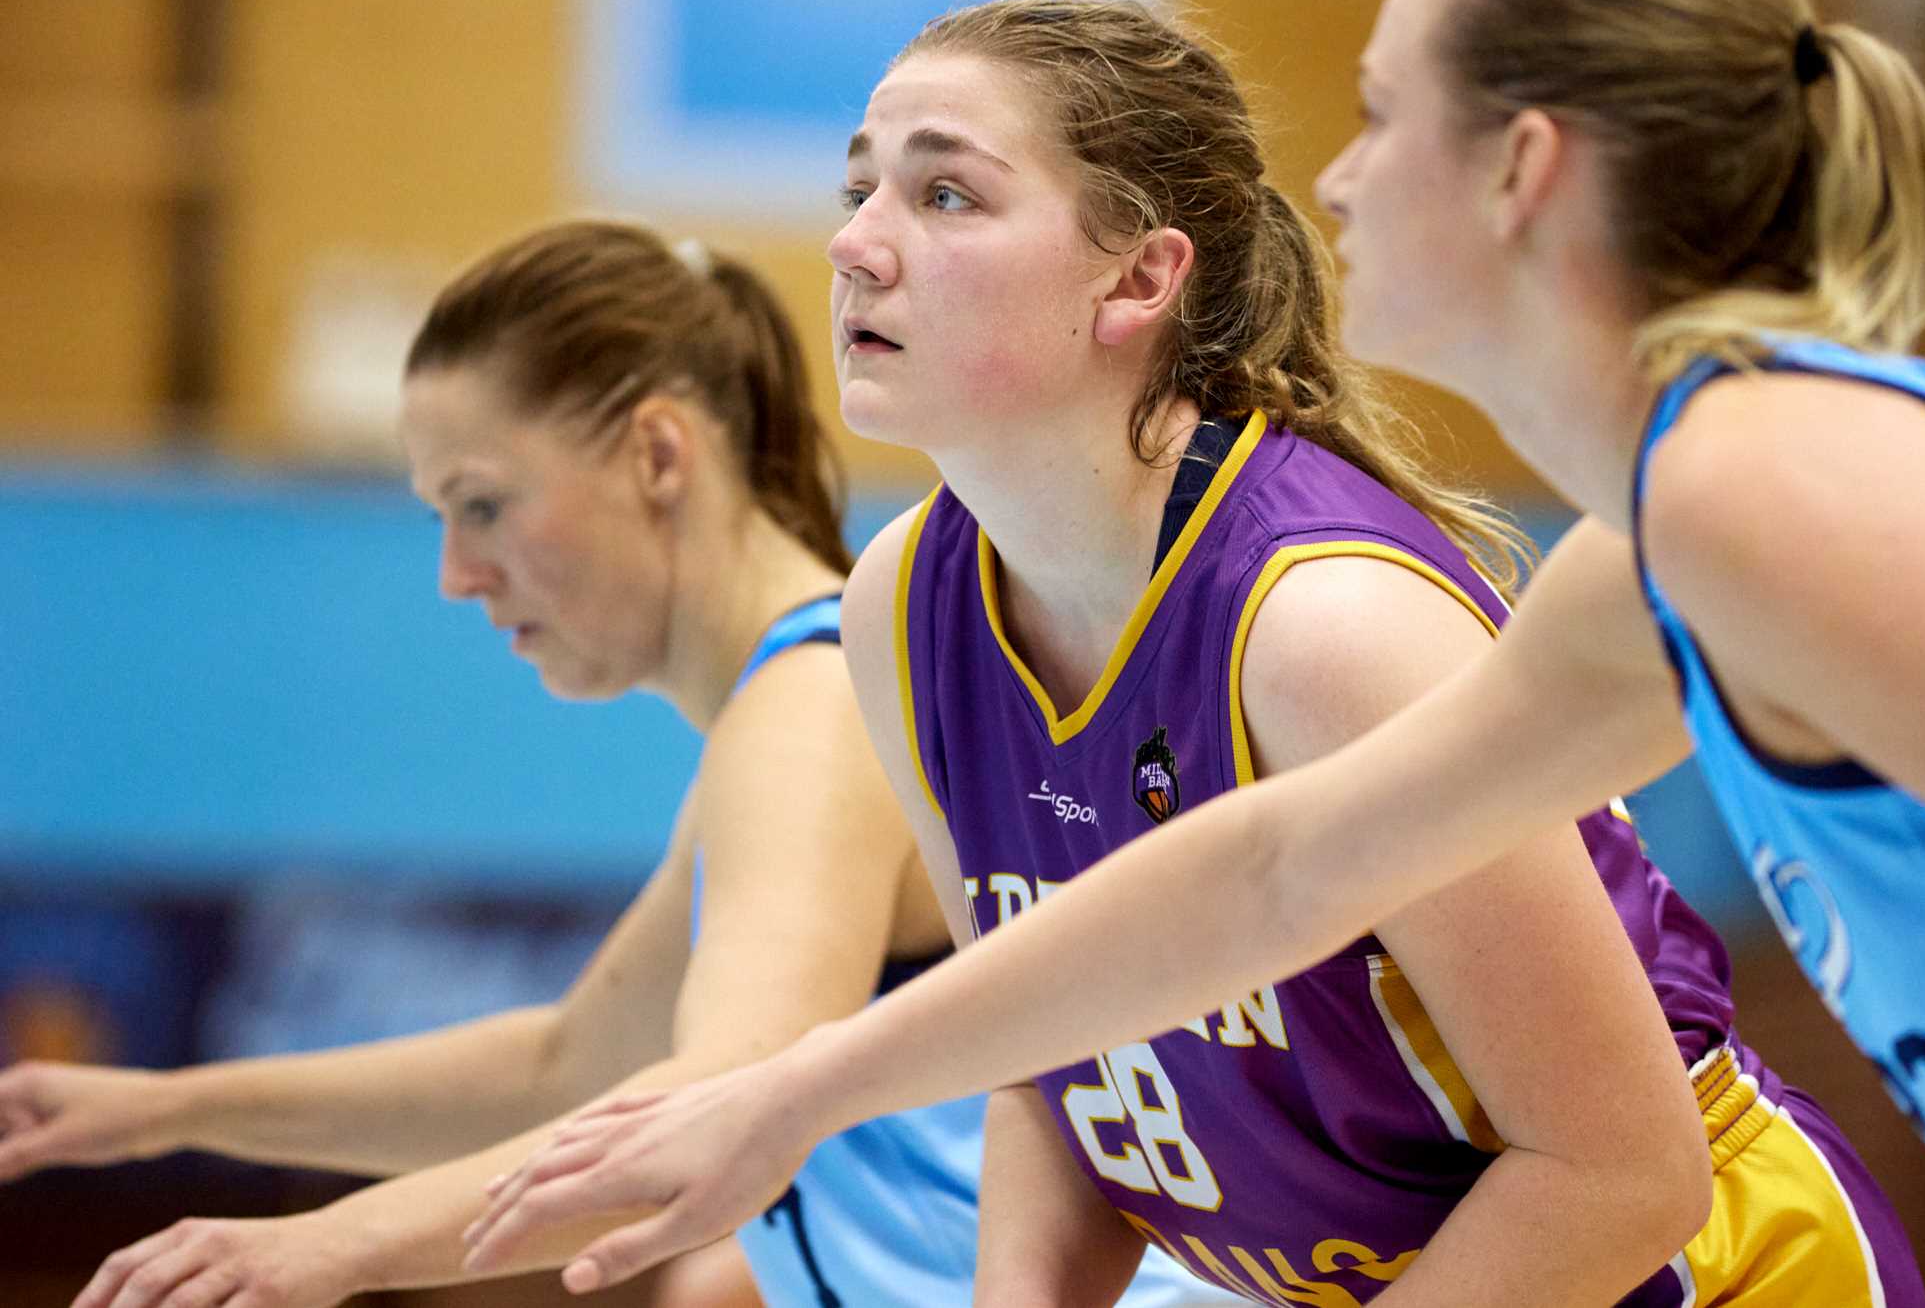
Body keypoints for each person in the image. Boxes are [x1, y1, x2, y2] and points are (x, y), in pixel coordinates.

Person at [465, 0, 1925, 1305]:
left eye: (946, 193)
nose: (854, 243)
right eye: (860, 189)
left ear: (1136, 280)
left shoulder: (1330, 623)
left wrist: (788, 1095)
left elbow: (1619, 1178)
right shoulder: (902, 604)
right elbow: (1060, 1044)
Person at [0, 221, 1227, 1307]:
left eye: (482, 505)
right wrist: (161, 1110)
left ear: (655, 453)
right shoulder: (795, 697)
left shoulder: (811, 706)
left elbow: (716, 1113)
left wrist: (333, 1246)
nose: (456, 575)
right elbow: (577, 1062)